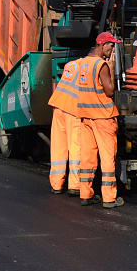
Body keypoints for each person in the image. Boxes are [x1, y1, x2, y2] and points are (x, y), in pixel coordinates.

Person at [76, 31, 124, 209]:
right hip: (103, 117)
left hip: (86, 116)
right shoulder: (101, 65)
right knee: (107, 157)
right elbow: (109, 91)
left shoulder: (84, 63)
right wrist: (111, 68)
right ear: (101, 45)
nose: (112, 49)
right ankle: (109, 198)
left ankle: (86, 194)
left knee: (87, 157)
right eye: (111, 46)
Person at [47, 59, 82, 196]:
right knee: (75, 147)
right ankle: (75, 185)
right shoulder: (92, 67)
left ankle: (56, 184)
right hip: (73, 109)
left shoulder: (72, 64)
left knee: (58, 147)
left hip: (59, 106)